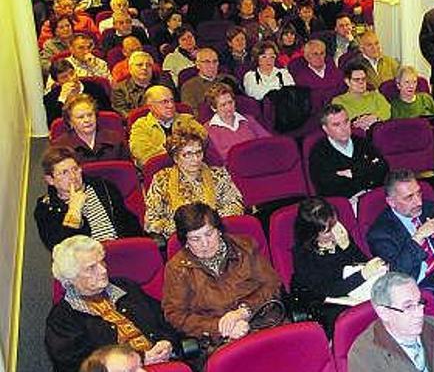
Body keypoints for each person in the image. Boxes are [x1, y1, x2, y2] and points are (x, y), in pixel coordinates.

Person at [45, 236, 177, 372]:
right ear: (71, 277)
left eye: (101, 262)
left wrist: (167, 342)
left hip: (167, 362)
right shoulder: (62, 319)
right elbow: (81, 366)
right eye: (91, 268)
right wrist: (140, 359)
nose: (103, 270)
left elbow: (164, 318)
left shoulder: (125, 287)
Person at [163, 202, 282, 341]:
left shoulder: (245, 247)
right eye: (195, 239)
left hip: (264, 322)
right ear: (185, 241)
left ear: (218, 230)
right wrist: (218, 327)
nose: (205, 244)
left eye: (209, 234)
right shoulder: (177, 268)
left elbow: (272, 284)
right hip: (219, 340)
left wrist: (245, 311)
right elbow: (176, 315)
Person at [348, 272, 434, 372]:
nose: (419, 313)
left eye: (419, 303)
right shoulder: (364, 355)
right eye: (408, 306)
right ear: (384, 312)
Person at [291, 198, 388, 333]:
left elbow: (361, 262)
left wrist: (347, 247)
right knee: (352, 320)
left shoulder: (340, 236)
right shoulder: (303, 254)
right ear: (312, 233)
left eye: (334, 225)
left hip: (352, 289)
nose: (334, 232)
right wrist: (363, 275)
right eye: (327, 231)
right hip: (326, 301)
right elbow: (329, 289)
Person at [144, 122, 245, 238]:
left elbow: (236, 204)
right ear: (176, 158)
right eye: (188, 154)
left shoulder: (218, 174)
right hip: (179, 238)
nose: (196, 159)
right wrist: (186, 228)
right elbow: (151, 220)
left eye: (198, 152)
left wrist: (206, 224)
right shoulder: (161, 179)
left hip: (217, 235)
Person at [367, 169, 434, 296]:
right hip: (420, 287)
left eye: (419, 193)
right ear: (391, 202)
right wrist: (417, 238)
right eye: (409, 197)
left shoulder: (429, 208)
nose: (419, 202)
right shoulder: (380, 233)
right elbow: (397, 275)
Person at [34, 147, 142, 250]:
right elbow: (63, 249)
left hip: (119, 248)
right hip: (85, 263)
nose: (73, 176)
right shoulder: (46, 209)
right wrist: (74, 210)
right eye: (64, 173)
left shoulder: (103, 187)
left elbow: (127, 222)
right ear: (50, 180)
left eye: (75, 169)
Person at [309, 104, 388, 198]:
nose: (344, 128)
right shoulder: (319, 152)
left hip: (372, 194)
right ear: (325, 129)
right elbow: (328, 187)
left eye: (346, 122)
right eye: (336, 125)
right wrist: (365, 170)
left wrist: (351, 173)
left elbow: (383, 168)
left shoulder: (362, 142)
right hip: (346, 203)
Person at [128, 85, 199, 167]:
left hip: (193, 167)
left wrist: (163, 152)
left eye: (172, 100)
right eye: (164, 102)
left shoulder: (187, 119)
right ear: (151, 106)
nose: (171, 105)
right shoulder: (141, 126)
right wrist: (179, 150)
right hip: (159, 171)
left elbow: (204, 141)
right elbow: (143, 156)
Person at [52, 94, 129, 163]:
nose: (87, 120)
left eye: (90, 115)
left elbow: (128, 170)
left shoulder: (115, 139)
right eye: (80, 117)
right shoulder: (61, 147)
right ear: (70, 122)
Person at [205, 83, 272, 161]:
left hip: (258, 161)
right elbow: (213, 160)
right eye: (223, 105)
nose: (229, 107)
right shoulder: (208, 130)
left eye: (230, 102)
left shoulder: (249, 120)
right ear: (214, 108)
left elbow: (268, 141)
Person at [44, 59, 112, 125]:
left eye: (72, 73)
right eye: (64, 77)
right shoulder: (50, 98)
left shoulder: (95, 87)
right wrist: (62, 99)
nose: (71, 78)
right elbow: (52, 123)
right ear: (57, 82)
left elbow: (108, 113)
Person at [110, 52, 176, 118]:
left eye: (148, 65)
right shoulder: (119, 89)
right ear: (130, 69)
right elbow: (126, 115)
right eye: (139, 65)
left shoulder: (163, 84)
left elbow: (174, 107)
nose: (144, 68)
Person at [332, 62, 391, 131]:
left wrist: (374, 117)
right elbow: (340, 122)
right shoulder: (339, 101)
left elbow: (387, 112)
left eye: (363, 79)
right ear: (347, 82)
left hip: (378, 132)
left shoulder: (375, 96)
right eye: (356, 80)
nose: (361, 82)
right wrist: (359, 122)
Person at [180, 47, 238, 112]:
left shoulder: (229, 79)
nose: (212, 66)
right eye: (206, 62)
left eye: (214, 61)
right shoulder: (189, 87)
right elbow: (190, 113)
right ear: (198, 65)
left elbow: (242, 103)